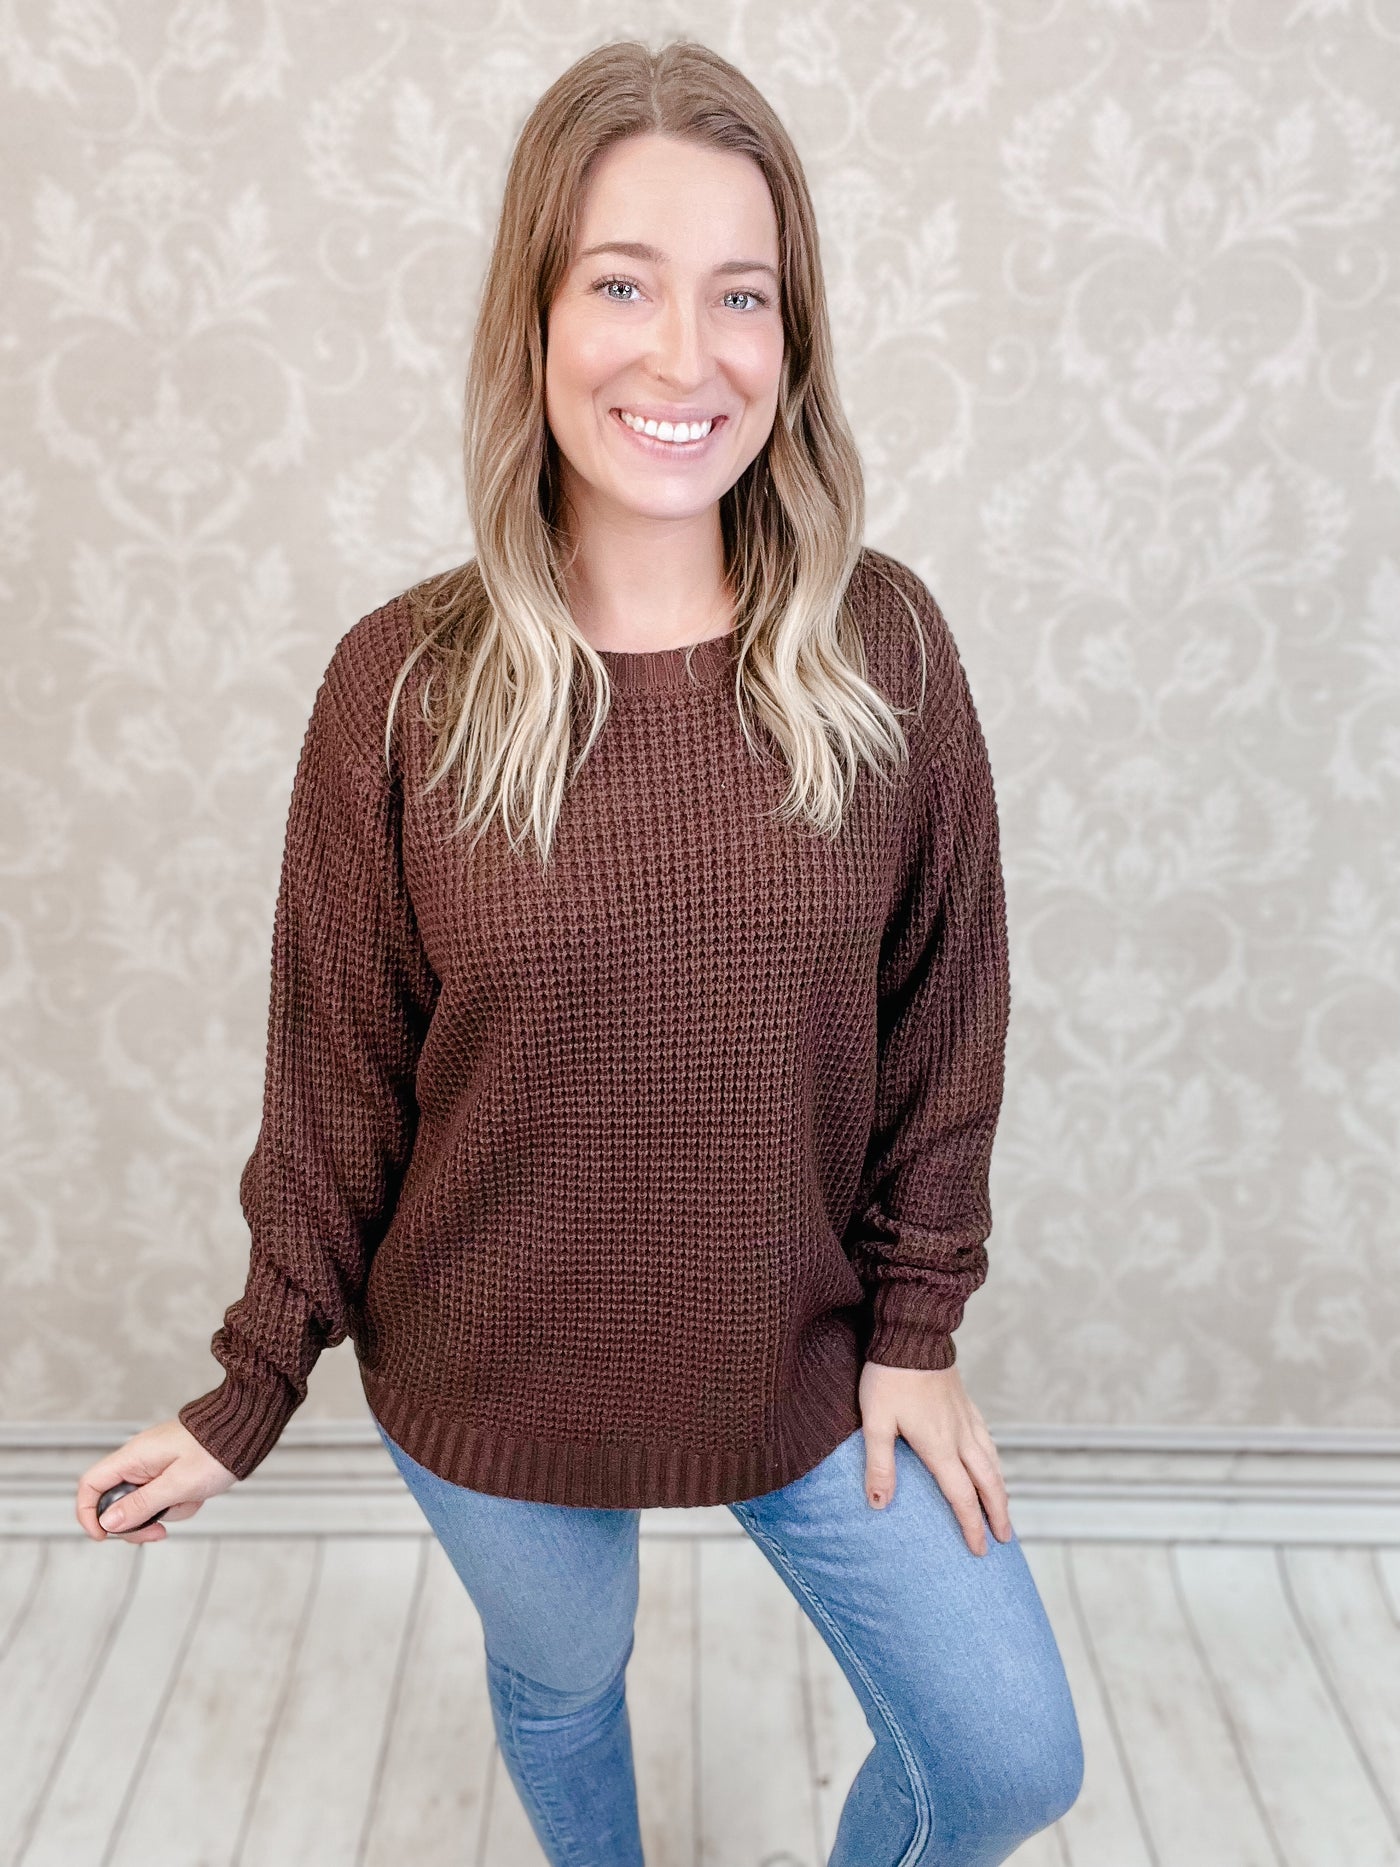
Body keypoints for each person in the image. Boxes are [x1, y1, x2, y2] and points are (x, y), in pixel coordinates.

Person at [76, 36, 1084, 1867]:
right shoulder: (401, 688)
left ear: (794, 338)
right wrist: (247, 1392)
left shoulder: (887, 652)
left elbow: (948, 1023)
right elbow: (336, 1091)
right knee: (564, 1687)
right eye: (623, 284)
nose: (684, 356)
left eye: (741, 295)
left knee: (1007, 1754)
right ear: (534, 319)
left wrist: (917, 1332)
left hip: (804, 1351)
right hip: (490, 1377)